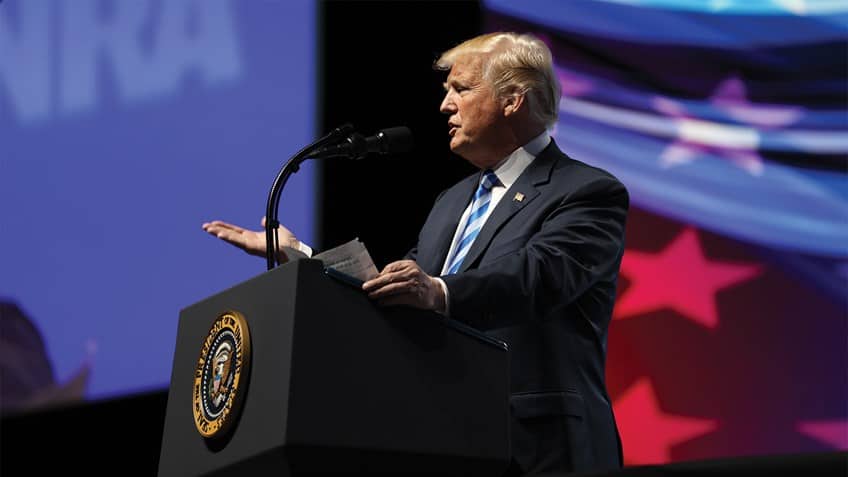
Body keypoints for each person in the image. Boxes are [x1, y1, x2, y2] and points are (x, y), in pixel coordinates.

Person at [203, 31, 628, 476]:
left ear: (513, 99)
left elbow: (540, 276)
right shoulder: (452, 201)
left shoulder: (585, 190)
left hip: (540, 446)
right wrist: (303, 258)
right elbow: (397, 292)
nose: (445, 105)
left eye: (461, 90)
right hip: (448, 439)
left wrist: (438, 290)